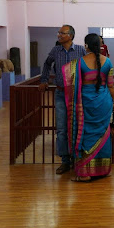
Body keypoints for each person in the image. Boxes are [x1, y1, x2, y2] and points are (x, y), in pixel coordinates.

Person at [62, 33, 114, 182]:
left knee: (85, 133)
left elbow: (71, 81)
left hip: (85, 102)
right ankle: (103, 170)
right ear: (99, 45)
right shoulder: (108, 62)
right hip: (104, 102)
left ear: (86, 46)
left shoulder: (79, 63)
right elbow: (110, 86)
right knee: (103, 135)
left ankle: (85, 173)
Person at [38, 25, 86, 175]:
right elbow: (46, 64)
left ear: (70, 36)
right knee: (61, 128)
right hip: (60, 93)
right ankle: (65, 160)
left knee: (78, 126)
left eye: (62, 33)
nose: (59, 35)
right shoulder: (55, 51)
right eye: (59, 33)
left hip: (77, 94)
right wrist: (44, 80)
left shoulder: (80, 51)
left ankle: (77, 158)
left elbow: (86, 68)